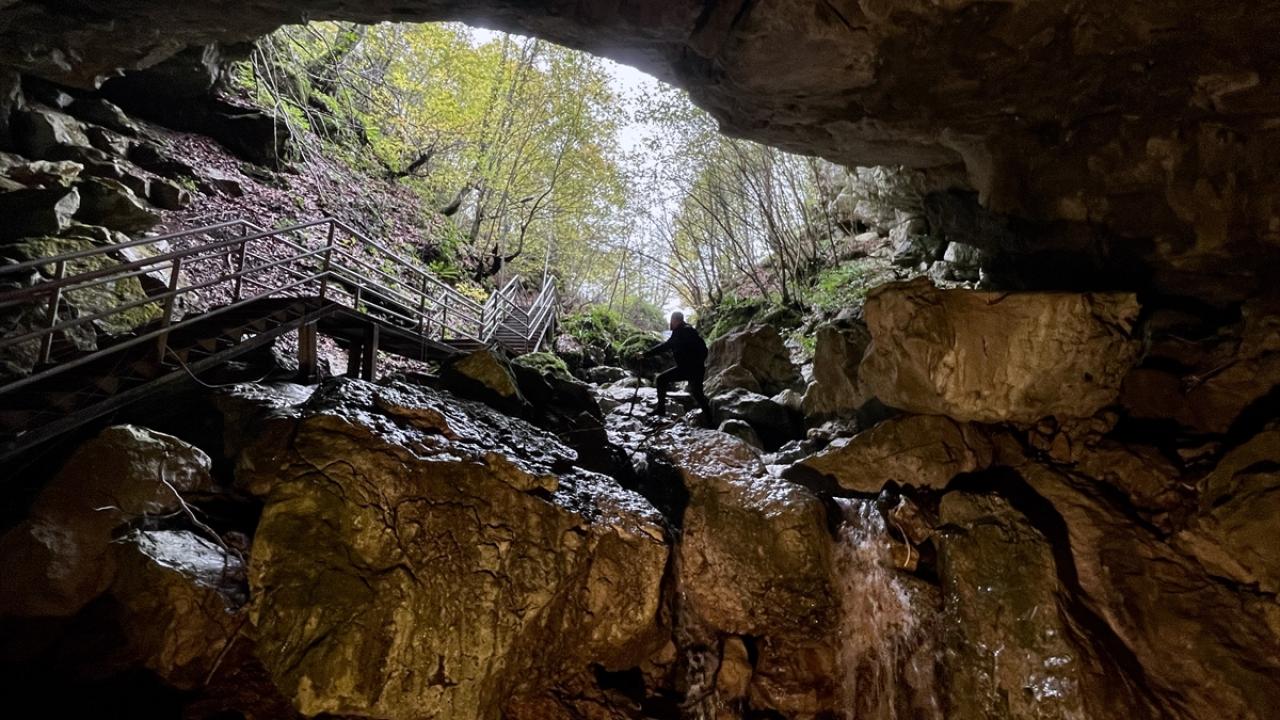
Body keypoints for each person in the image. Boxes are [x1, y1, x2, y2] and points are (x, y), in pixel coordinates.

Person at [643, 311, 711, 419]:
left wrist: (645, 354)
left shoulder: (683, 331)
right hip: (695, 368)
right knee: (697, 394)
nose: (670, 323)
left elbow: (666, 346)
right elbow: (703, 349)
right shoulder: (685, 330)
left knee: (661, 379)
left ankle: (661, 409)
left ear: (675, 320)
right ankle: (710, 419)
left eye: (671, 320)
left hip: (688, 368)